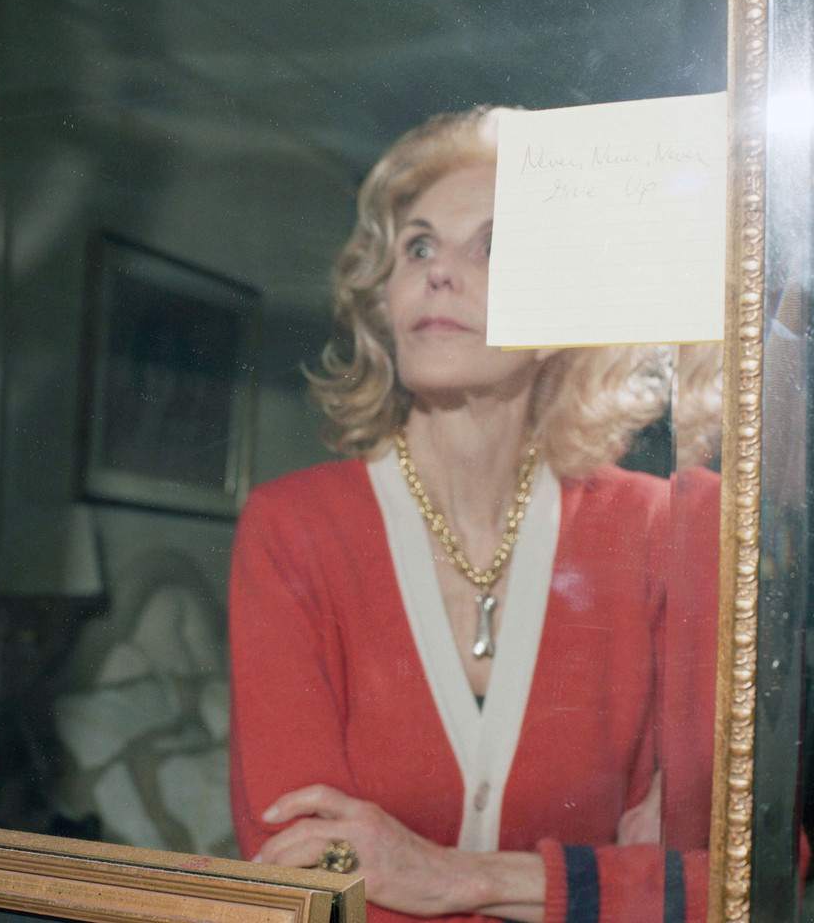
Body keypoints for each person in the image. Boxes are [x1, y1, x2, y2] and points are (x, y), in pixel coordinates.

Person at [227, 106, 713, 923]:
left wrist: (462, 878)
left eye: (493, 246)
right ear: (384, 297)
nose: (439, 273)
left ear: (568, 308)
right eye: (418, 247)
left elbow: (745, 875)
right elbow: (302, 865)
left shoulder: (661, 530)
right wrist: (601, 887)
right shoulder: (294, 528)